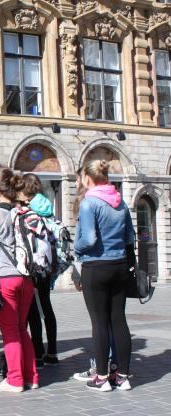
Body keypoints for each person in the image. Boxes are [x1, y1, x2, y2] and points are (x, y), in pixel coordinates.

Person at [75, 160, 134, 391]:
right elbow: (130, 237)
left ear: (88, 178)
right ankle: (123, 376)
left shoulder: (89, 203)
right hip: (119, 265)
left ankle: (101, 377)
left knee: (99, 322)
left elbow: (88, 239)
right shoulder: (121, 202)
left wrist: (76, 249)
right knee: (119, 320)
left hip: (96, 267)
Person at [0, 166, 38, 393]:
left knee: (10, 331)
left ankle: (15, 379)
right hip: (26, 278)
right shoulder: (23, 212)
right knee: (21, 328)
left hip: (5, 278)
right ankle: (32, 376)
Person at [20, 173, 59, 367]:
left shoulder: (28, 210)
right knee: (47, 307)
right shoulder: (47, 206)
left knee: (32, 310)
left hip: (33, 265)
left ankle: (37, 353)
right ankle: (52, 351)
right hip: (47, 264)